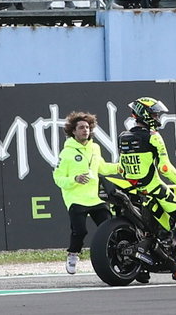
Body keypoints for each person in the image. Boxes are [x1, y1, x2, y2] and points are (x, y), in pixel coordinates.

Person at [106, 97, 176, 283]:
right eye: (155, 114)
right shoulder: (153, 136)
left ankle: (142, 268)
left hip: (134, 190)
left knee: (152, 231)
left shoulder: (123, 136)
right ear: (145, 115)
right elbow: (165, 168)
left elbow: (123, 167)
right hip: (155, 189)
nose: (157, 117)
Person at [53, 110, 110, 274]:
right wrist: (74, 179)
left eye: (87, 127)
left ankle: (113, 257)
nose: (85, 130)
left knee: (108, 227)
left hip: (95, 198)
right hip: (76, 199)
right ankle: (73, 255)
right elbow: (58, 178)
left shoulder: (95, 148)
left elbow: (102, 167)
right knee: (80, 231)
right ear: (73, 131)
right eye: (81, 128)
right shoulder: (67, 153)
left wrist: (120, 167)